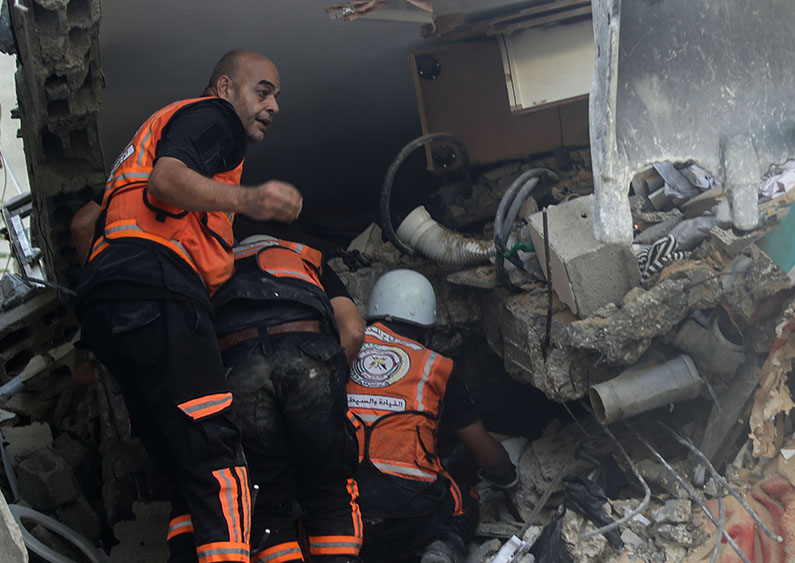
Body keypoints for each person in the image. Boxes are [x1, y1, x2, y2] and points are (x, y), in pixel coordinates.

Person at [72, 49, 302, 563]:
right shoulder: (213, 117)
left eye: (276, 97)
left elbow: (83, 224)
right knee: (218, 452)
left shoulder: (146, 140)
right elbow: (166, 181)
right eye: (263, 91)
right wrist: (250, 201)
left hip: (110, 304)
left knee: (185, 466)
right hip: (161, 291)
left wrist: (116, 289)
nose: (274, 106)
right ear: (225, 88)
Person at [211, 234, 364, 562]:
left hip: (239, 365)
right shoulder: (306, 257)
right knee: (329, 490)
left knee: (266, 499)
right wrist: (330, 389)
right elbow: (352, 331)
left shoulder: (211, 262)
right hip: (308, 357)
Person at [346, 269, 517, 563]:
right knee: (462, 501)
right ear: (427, 332)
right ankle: (440, 552)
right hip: (409, 510)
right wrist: (508, 477)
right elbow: (486, 454)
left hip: (344, 504)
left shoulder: (345, 350)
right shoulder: (436, 366)